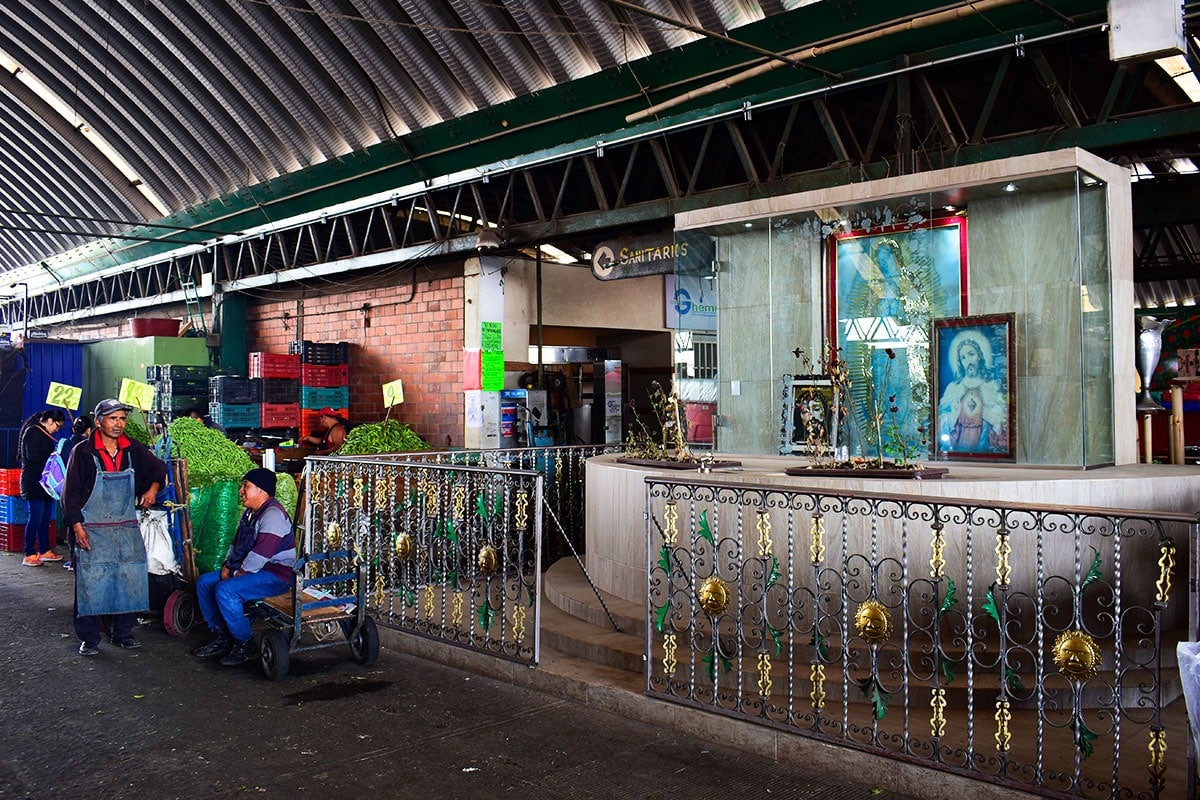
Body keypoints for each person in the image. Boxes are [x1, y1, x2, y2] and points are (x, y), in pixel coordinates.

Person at [61, 398, 168, 656]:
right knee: (91, 582)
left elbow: (158, 468)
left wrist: (152, 490)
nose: (119, 424)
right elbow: (70, 494)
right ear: (99, 422)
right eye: (113, 418)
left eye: (122, 419)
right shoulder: (83, 452)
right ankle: (89, 638)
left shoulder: (133, 448)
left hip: (124, 527)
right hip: (91, 529)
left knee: (128, 578)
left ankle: (123, 633)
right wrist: (77, 528)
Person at [192, 468, 296, 666]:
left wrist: (235, 574)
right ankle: (221, 635)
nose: (241, 491)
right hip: (253, 570)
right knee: (205, 582)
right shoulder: (250, 514)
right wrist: (227, 566)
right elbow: (236, 545)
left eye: (246, 486)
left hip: (276, 575)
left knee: (225, 590)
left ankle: (245, 644)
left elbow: (260, 556)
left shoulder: (273, 515)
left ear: (261, 490)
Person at [935, 331, 1008, 454]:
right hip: (958, 444)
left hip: (984, 443)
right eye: (963, 358)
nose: (967, 361)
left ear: (979, 356)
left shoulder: (990, 386)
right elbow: (940, 416)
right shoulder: (954, 387)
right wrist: (953, 414)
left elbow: (1002, 415)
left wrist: (990, 415)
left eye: (971, 354)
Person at [18, 409, 67, 567]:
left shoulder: (44, 433)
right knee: (35, 518)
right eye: (57, 426)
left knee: (45, 519)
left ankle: (45, 551)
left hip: (45, 483)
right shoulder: (33, 432)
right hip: (33, 482)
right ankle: (29, 553)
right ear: (50, 421)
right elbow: (33, 457)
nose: (57, 429)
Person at [59, 414, 93, 571]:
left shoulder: (66, 444)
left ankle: (73, 560)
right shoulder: (86, 447)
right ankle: (79, 560)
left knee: (73, 527)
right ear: (89, 430)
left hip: (66, 490)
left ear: (73, 429)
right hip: (85, 493)